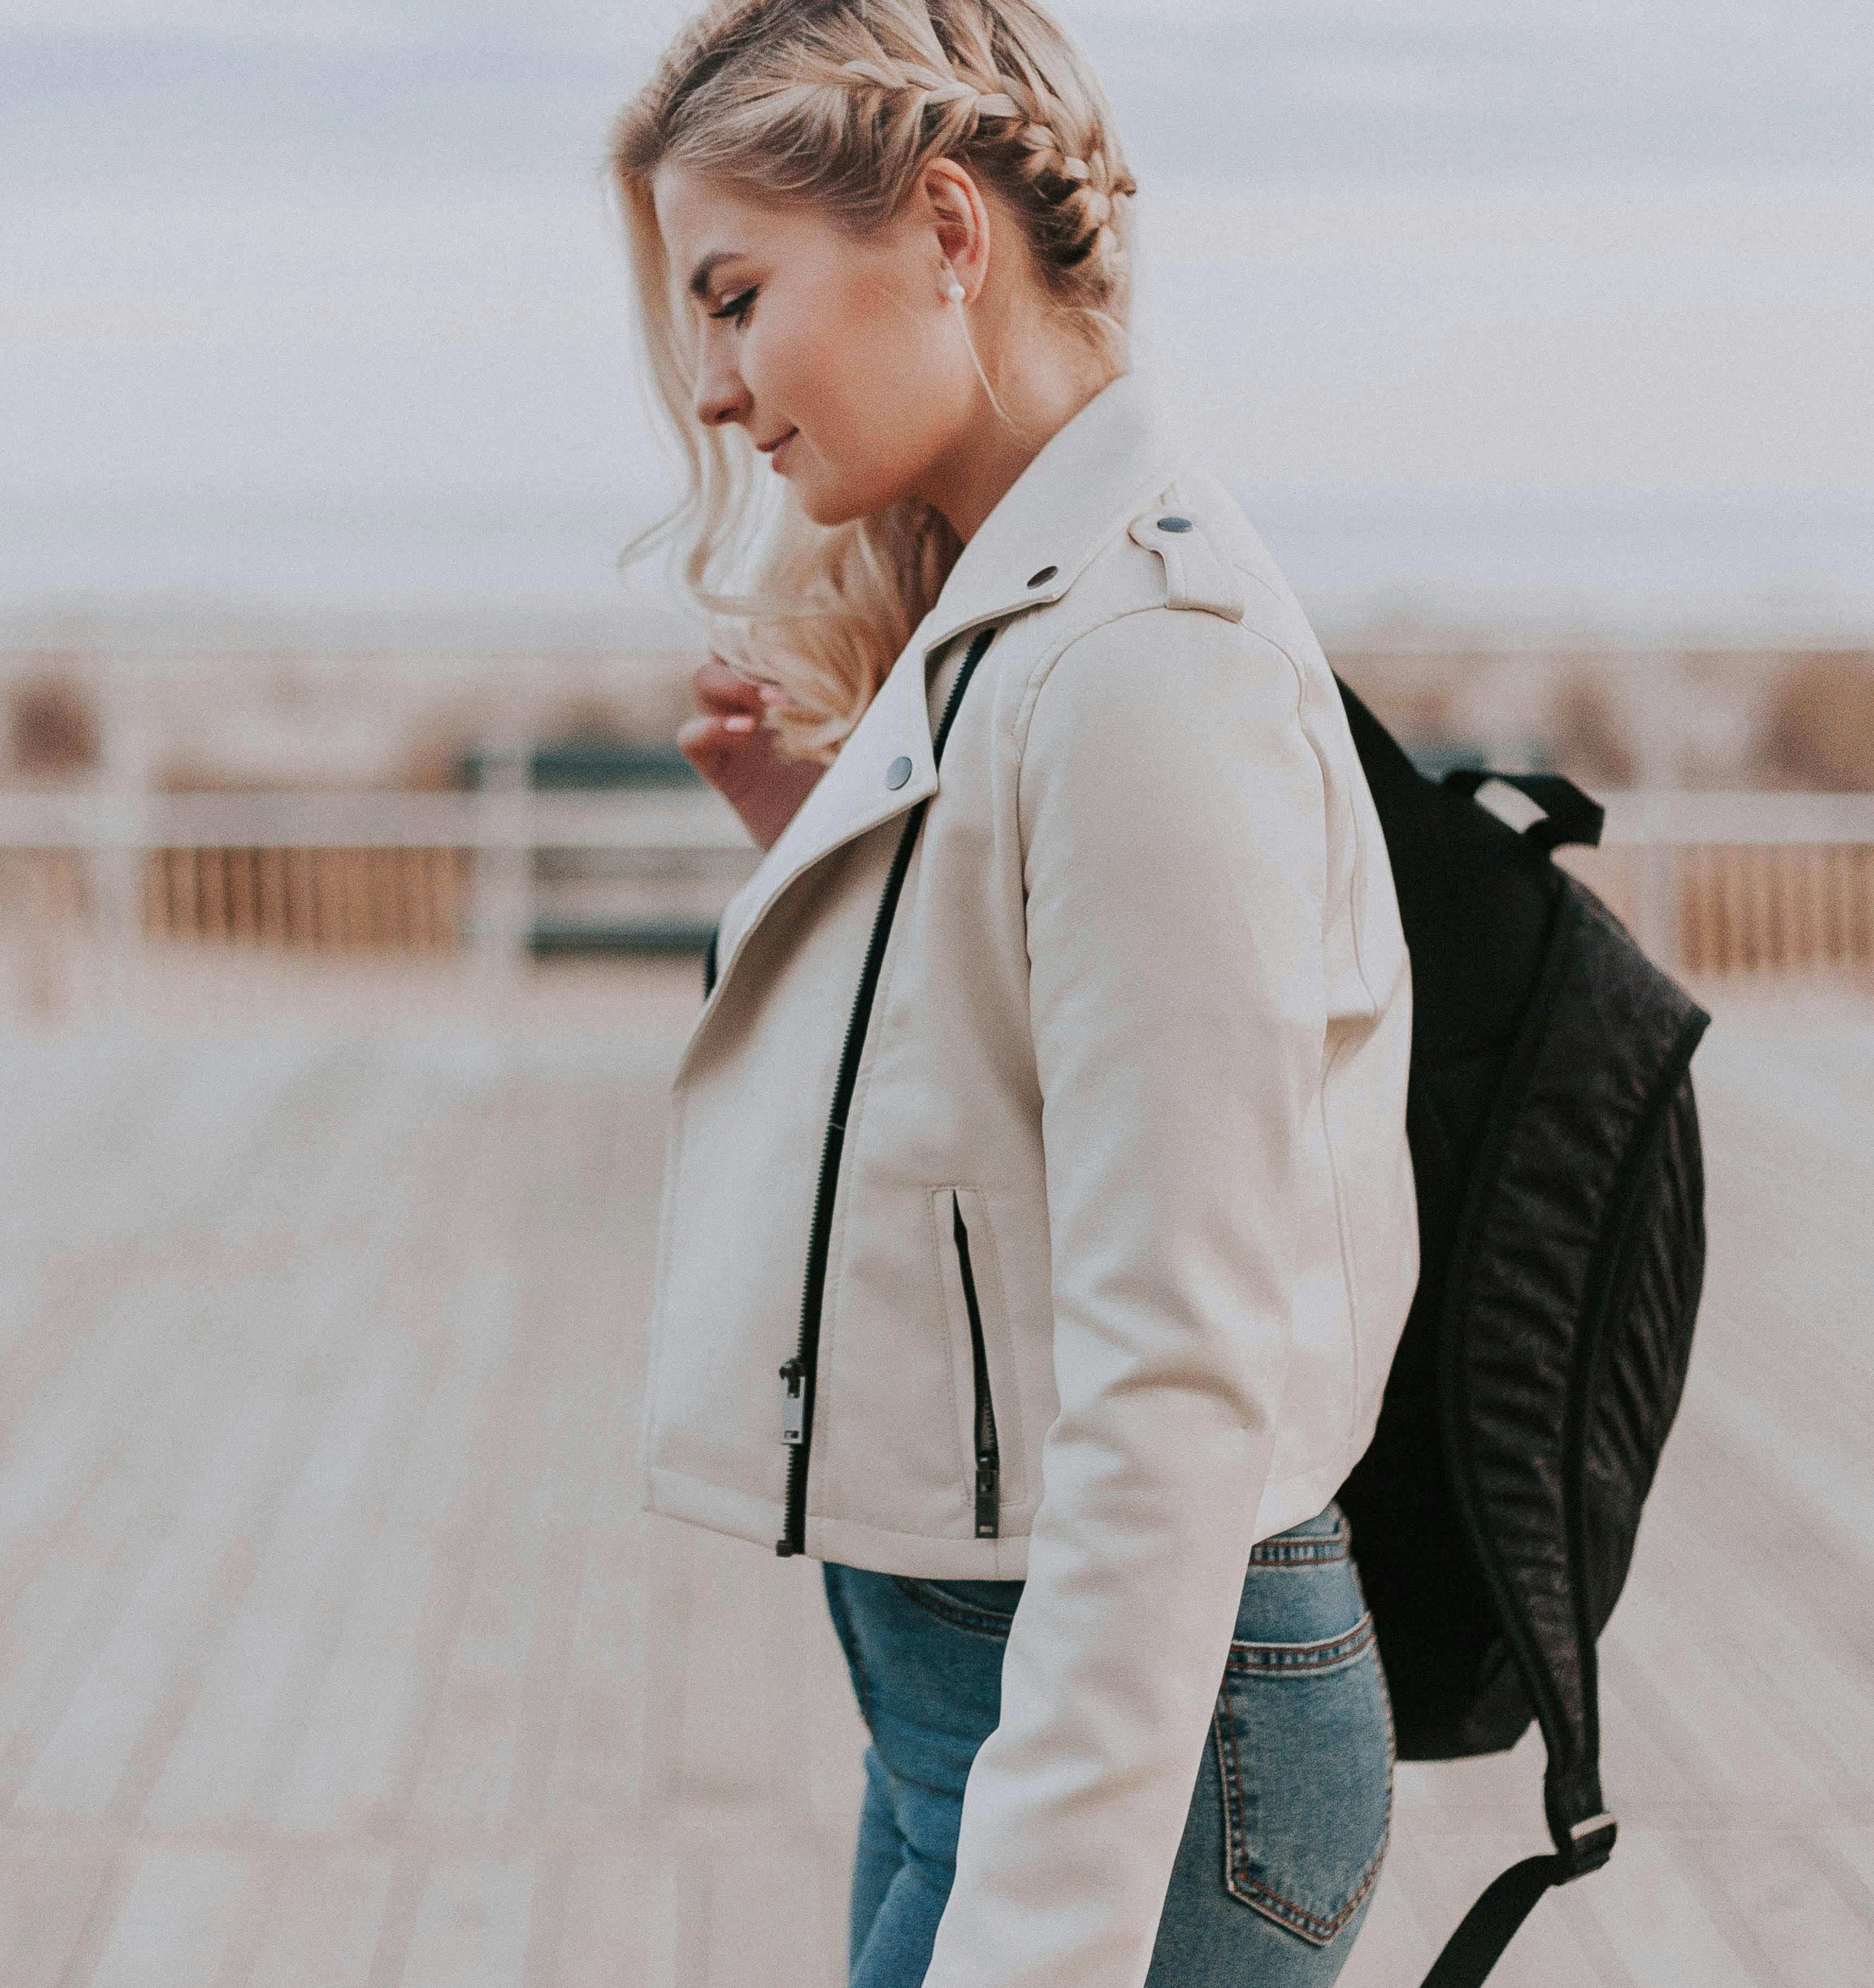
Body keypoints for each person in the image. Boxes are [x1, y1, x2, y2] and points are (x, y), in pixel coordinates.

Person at [609, 4, 1421, 1984]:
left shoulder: (1145, 658)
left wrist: (1040, 1932)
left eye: (736, 297)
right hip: (984, 1703)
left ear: (946, 235)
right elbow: (1006, 1087)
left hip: (1132, 1740)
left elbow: (1175, 1364)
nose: (716, 389)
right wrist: (821, 830)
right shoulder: (1020, 613)